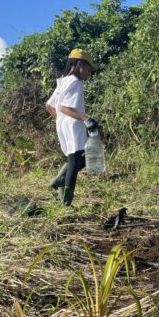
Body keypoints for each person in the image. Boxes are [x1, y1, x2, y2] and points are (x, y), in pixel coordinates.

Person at [46, 48, 99, 206]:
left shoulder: (63, 80)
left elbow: (50, 106)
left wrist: (60, 120)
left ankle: (61, 180)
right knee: (79, 159)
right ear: (79, 64)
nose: (88, 74)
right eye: (88, 69)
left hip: (65, 125)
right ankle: (65, 203)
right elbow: (65, 108)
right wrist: (85, 118)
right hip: (73, 125)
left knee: (79, 159)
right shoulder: (76, 82)